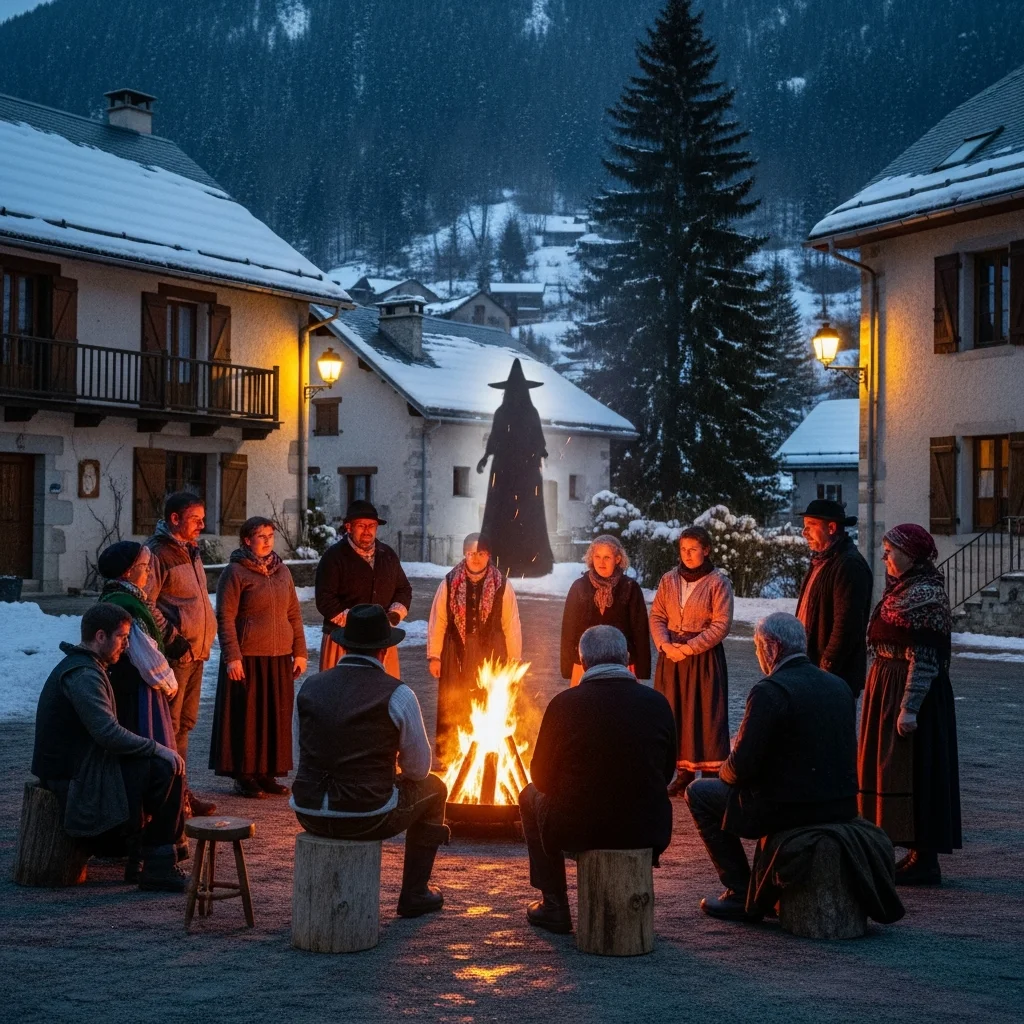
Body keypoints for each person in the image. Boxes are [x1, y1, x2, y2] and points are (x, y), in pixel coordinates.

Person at [684, 612, 859, 920]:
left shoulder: (770, 690)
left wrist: (724, 771)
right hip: (839, 805)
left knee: (698, 793)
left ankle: (740, 891)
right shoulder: (838, 686)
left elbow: (741, 767)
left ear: (773, 648)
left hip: (789, 808)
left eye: (757, 648)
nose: (757, 656)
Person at [291, 604, 450, 918]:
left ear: (344, 645)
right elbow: (419, 769)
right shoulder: (398, 694)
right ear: (384, 651)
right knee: (436, 789)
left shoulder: (310, 687)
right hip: (367, 815)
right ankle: (415, 893)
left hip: (307, 812)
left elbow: (300, 756)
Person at [518, 625, 676, 934]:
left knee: (529, 795)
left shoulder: (564, 705)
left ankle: (554, 905)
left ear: (583, 661)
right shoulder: (657, 703)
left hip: (579, 828)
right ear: (626, 658)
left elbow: (541, 778)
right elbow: (666, 772)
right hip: (647, 827)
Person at [31, 604, 188, 891]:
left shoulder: (89, 667)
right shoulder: (84, 674)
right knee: (166, 768)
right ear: (100, 636)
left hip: (85, 766)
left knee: (161, 770)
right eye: (122, 637)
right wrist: (158, 748)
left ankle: (151, 857)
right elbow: (107, 734)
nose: (126, 645)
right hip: (76, 779)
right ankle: (157, 865)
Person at [858, 524, 961, 886]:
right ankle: (904, 846)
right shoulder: (900, 589)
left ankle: (924, 855)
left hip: (912, 692)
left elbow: (927, 656)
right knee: (888, 766)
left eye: (890, 550)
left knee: (916, 767)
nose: (885, 556)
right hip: (887, 684)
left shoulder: (926, 595)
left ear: (911, 555)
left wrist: (910, 707)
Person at [210, 517, 308, 799]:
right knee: (248, 718)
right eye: (260, 536)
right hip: (248, 656)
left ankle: (267, 773)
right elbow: (225, 617)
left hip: (279, 656)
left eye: (270, 535)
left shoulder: (282, 572)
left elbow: (294, 615)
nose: (266, 540)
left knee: (274, 717)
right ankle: (245, 775)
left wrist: (300, 651)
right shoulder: (235, 572)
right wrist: (232, 656)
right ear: (246, 540)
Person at [145, 490, 218, 816]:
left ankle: (181, 795)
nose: (202, 524)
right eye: (196, 519)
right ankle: (167, 800)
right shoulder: (157, 553)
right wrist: (174, 640)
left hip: (196, 655)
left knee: (185, 726)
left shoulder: (190, 550)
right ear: (174, 519)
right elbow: (146, 603)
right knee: (169, 730)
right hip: (176, 656)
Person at [650, 526, 733, 792]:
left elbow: (721, 625)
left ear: (706, 550)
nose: (687, 554)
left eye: (693, 549)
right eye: (683, 549)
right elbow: (657, 616)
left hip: (703, 659)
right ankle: (683, 772)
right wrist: (665, 644)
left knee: (706, 712)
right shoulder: (669, 580)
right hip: (671, 659)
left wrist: (689, 648)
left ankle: (710, 774)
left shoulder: (718, 582)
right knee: (674, 711)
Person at [427, 533, 523, 762]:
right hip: (456, 651)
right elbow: (438, 620)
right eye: (471, 553)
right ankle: (452, 752)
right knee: (454, 699)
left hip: (491, 653)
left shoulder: (501, 584)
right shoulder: (449, 582)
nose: (476, 558)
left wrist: (514, 660)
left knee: (487, 698)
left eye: (480, 553)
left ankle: (487, 752)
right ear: (464, 555)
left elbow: (511, 624)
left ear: (488, 555)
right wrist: (434, 656)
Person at [314, 499, 412, 678]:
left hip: (381, 639)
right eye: (361, 525)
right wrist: (356, 624)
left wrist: (395, 615)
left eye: (372, 526)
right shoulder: (334, 557)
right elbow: (325, 599)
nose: (367, 531)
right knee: (342, 695)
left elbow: (403, 589)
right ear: (349, 527)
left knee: (381, 695)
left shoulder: (387, 555)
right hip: (343, 641)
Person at [477, 358, 554, 577]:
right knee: (501, 511)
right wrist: (486, 456)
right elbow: (495, 438)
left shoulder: (531, 413)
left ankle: (531, 560)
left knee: (528, 511)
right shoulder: (502, 413)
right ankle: (501, 558)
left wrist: (541, 452)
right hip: (504, 470)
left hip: (526, 471)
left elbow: (538, 438)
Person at [97, 540, 177, 747]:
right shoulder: (126, 604)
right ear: (127, 572)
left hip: (129, 683)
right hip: (136, 686)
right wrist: (167, 681)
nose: (149, 572)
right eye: (145, 567)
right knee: (144, 735)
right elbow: (145, 656)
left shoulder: (120, 597)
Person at [796, 498, 873, 696]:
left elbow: (846, 625)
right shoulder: (821, 561)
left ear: (831, 528)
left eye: (811, 526)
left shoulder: (848, 565)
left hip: (833, 677)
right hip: (811, 670)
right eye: (804, 527)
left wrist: (827, 666)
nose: (805, 533)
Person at [560, 534, 650, 687]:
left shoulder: (629, 588)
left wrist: (642, 668)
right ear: (591, 558)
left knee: (620, 707)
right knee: (587, 707)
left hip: (622, 664)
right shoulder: (579, 587)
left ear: (618, 559)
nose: (601, 562)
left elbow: (640, 630)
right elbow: (568, 629)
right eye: (597, 556)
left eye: (607, 557)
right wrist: (567, 666)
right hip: (584, 664)